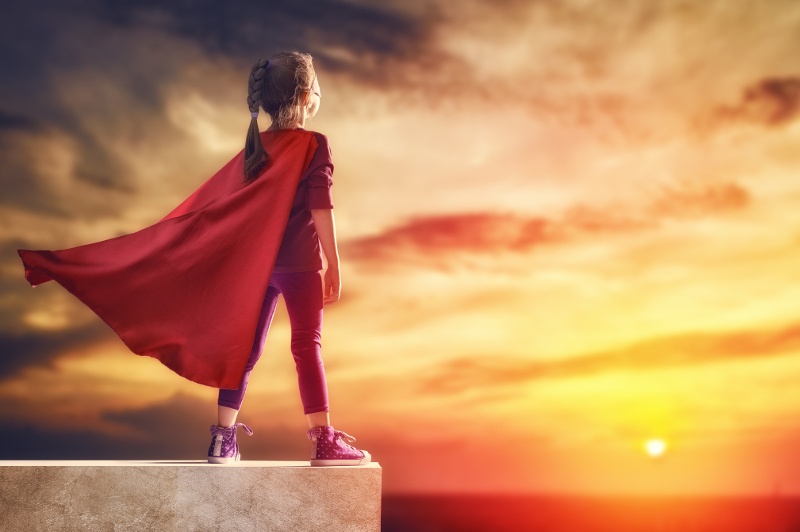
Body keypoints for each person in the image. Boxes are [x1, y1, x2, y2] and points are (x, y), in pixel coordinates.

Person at [17, 51, 370, 467]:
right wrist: (334, 261)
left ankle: (223, 439)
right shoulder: (314, 144)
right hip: (301, 266)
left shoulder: (256, 149)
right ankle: (323, 440)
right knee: (306, 346)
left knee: (244, 349)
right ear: (307, 95)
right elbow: (320, 206)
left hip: (254, 267)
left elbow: (223, 212)